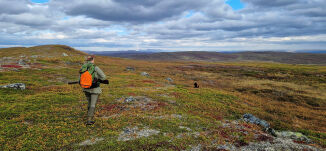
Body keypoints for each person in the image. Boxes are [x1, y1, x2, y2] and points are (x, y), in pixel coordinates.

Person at [81, 55, 106, 125]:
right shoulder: (95, 67)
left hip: (85, 88)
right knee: (93, 104)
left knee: (89, 102)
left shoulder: (83, 67)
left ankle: (88, 116)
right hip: (94, 89)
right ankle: (89, 120)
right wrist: (97, 79)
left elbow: (80, 78)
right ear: (92, 60)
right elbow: (104, 77)